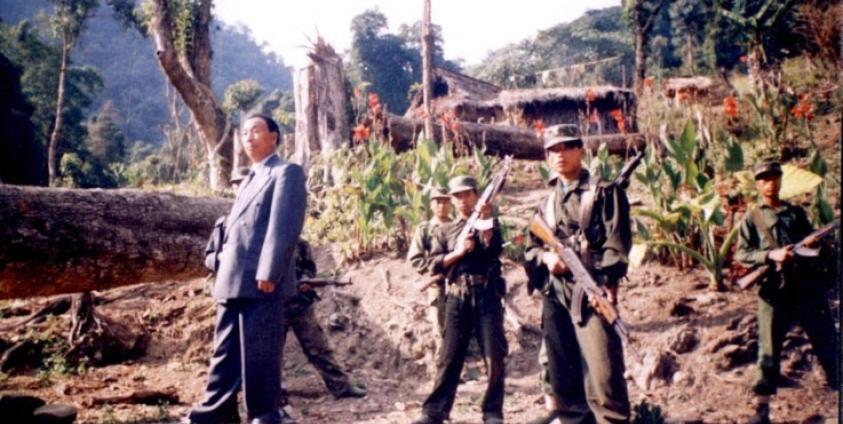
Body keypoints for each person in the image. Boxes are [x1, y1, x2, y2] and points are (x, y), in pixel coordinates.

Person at [187, 114, 307, 424]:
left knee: (260, 353)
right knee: (225, 351)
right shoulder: (251, 178)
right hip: (232, 278)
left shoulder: (286, 172)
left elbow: (284, 226)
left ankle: (264, 415)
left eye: (256, 131)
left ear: (274, 137)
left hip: (261, 280)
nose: (249, 138)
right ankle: (215, 411)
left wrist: (270, 271)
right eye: (245, 134)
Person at [523, 125, 632, 424]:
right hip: (556, 296)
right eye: (553, 150)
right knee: (564, 379)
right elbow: (530, 250)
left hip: (592, 290)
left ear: (581, 150)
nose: (560, 155)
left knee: (604, 375)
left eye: (567, 147)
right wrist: (546, 258)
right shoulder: (545, 203)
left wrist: (608, 285)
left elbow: (617, 244)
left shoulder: (604, 192)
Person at [734, 161, 838, 424]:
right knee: (768, 349)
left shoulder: (796, 213)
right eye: (765, 179)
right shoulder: (753, 217)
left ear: (780, 181)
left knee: (826, 338)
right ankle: (762, 408)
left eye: (774, 178)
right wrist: (771, 254)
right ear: (758, 184)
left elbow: (808, 247)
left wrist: (813, 242)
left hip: (805, 288)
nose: (771, 183)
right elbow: (742, 254)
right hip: (774, 291)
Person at [412, 175, 507, 424]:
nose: (462, 200)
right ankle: (434, 412)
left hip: (487, 294)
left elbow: (494, 249)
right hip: (457, 295)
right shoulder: (446, 230)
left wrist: (486, 221)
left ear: (476, 196)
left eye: (467, 194)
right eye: (457, 196)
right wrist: (458, 253)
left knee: (494, 356)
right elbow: (433, 264)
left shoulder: (489, 223)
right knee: (449, 356)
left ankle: (493, 412)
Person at [279, 239, 367, 420]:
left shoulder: (301, 244)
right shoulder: (269, 242)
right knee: (273, 355)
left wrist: (305, 280)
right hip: (275, 307)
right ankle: (278, 398)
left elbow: (309, 267)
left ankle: (341, 387)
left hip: (301, 305)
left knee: (318, 347)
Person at [407, 187, 453, 335]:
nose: (442, 205)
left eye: (446, 202)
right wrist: (433, 273)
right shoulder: (425, 228)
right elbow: (415, 257)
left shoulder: (458, 226)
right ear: (432, 205)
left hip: (458, 284)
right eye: (438, 202)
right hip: (438, 285)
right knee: (440, 328)